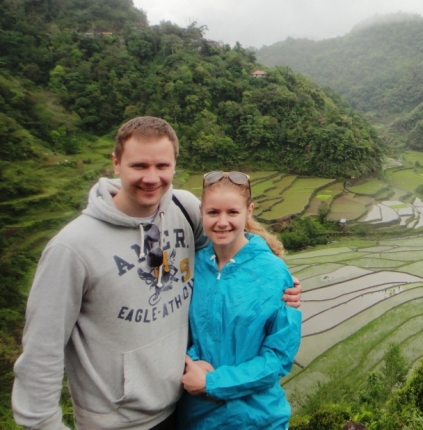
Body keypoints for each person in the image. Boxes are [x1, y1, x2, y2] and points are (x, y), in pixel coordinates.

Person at [12, 117, 302, 430]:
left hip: (183, 407)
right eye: (139, 166)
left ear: (175, 166)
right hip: (120, 422)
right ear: (116, 164)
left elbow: (228, 253)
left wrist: (280, 280)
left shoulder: (183, 209)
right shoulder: (72, 248)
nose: (151, 178)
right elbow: (42, 352)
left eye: (162, 166)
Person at [176, 171, 301, 430]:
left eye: (232, 212)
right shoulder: (192, 266)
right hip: (199, 419)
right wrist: (192, 360)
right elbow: (174, 326)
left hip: (258, 419)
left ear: (248, 211)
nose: (222, 222)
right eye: (213, 213)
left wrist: (213, 382)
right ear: (201, 212)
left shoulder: (274, 272)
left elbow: (278, 358)